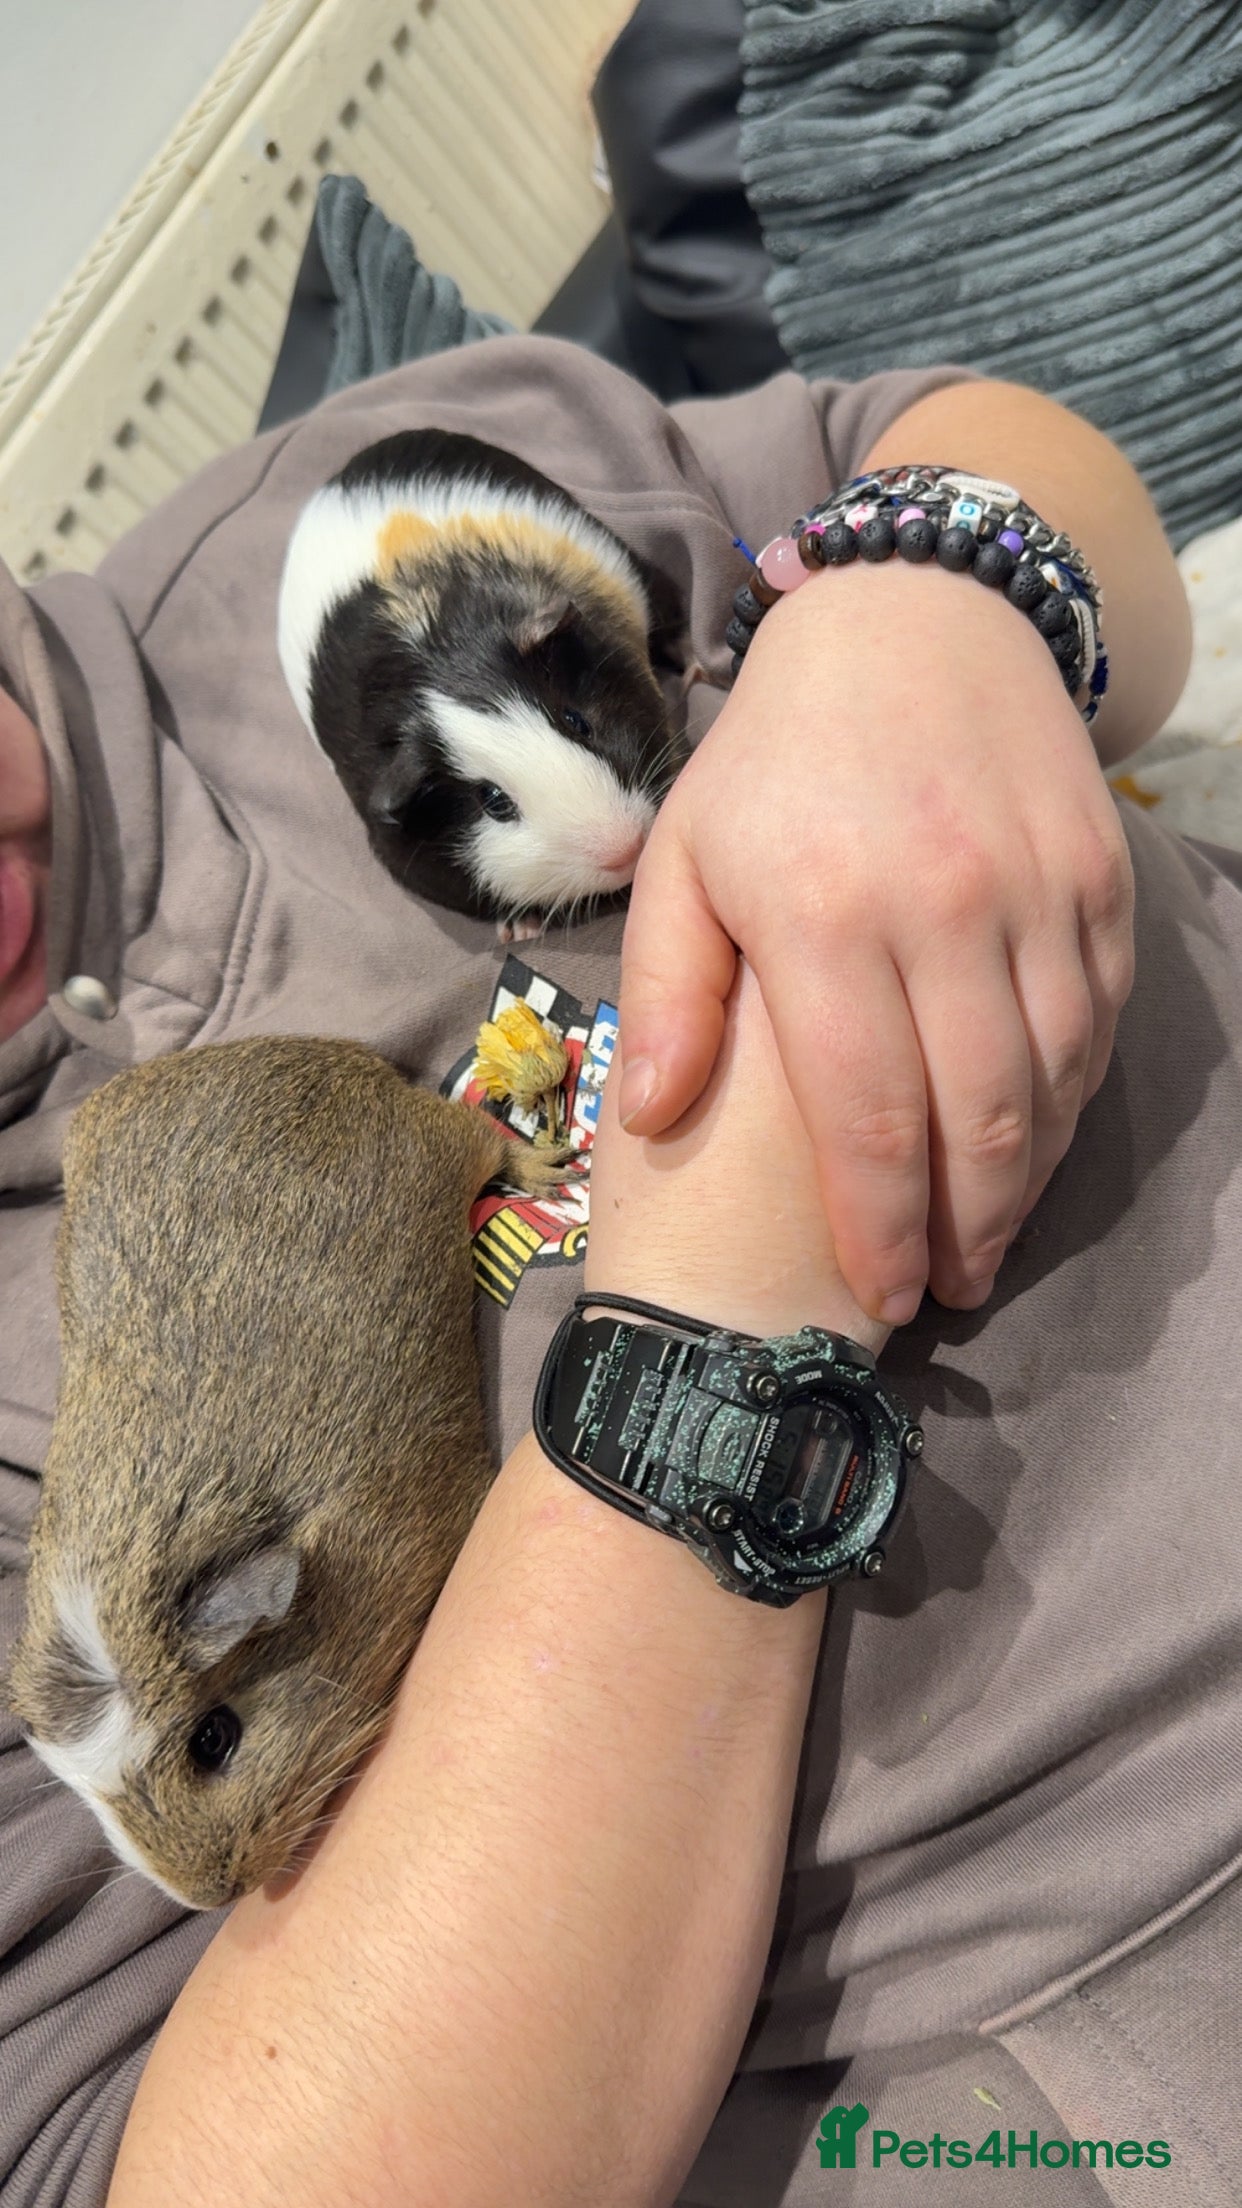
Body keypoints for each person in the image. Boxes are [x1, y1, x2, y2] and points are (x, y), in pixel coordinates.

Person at [1, 329, 1237, 2205]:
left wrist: (940, 589)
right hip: (1110, 1981)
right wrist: (716, 1327)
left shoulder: (377, 482)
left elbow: (1000, 471)